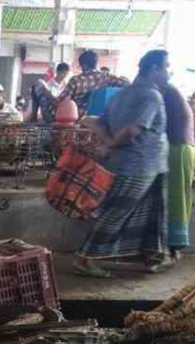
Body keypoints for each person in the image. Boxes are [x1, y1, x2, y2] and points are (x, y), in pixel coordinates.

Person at [75, 50, 171, 278]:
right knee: (117, 212)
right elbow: (130, 131)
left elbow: (100, 123)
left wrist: (107, 142)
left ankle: (152, 257)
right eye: (167, 66)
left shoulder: (121, 95)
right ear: (154, 68)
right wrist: (112, 143)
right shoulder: (150, 96)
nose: (169, 72)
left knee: (150, 214)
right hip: (138, 165)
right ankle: (86, 258)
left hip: (143, 165)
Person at [162, 82, 195, 259]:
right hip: (182, 149)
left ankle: (173, 248)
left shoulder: (160, 91)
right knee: (179, 198)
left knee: (176, 199)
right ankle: (171, 247)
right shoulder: (167, 91)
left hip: (178, 149)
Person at [58, 50, 129, 116]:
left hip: (80, 119)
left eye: (80, 66)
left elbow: (61, 101)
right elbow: (127, 85)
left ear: (84, 65)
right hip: (101, 119)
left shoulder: (76, 80)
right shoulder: (107, 78)